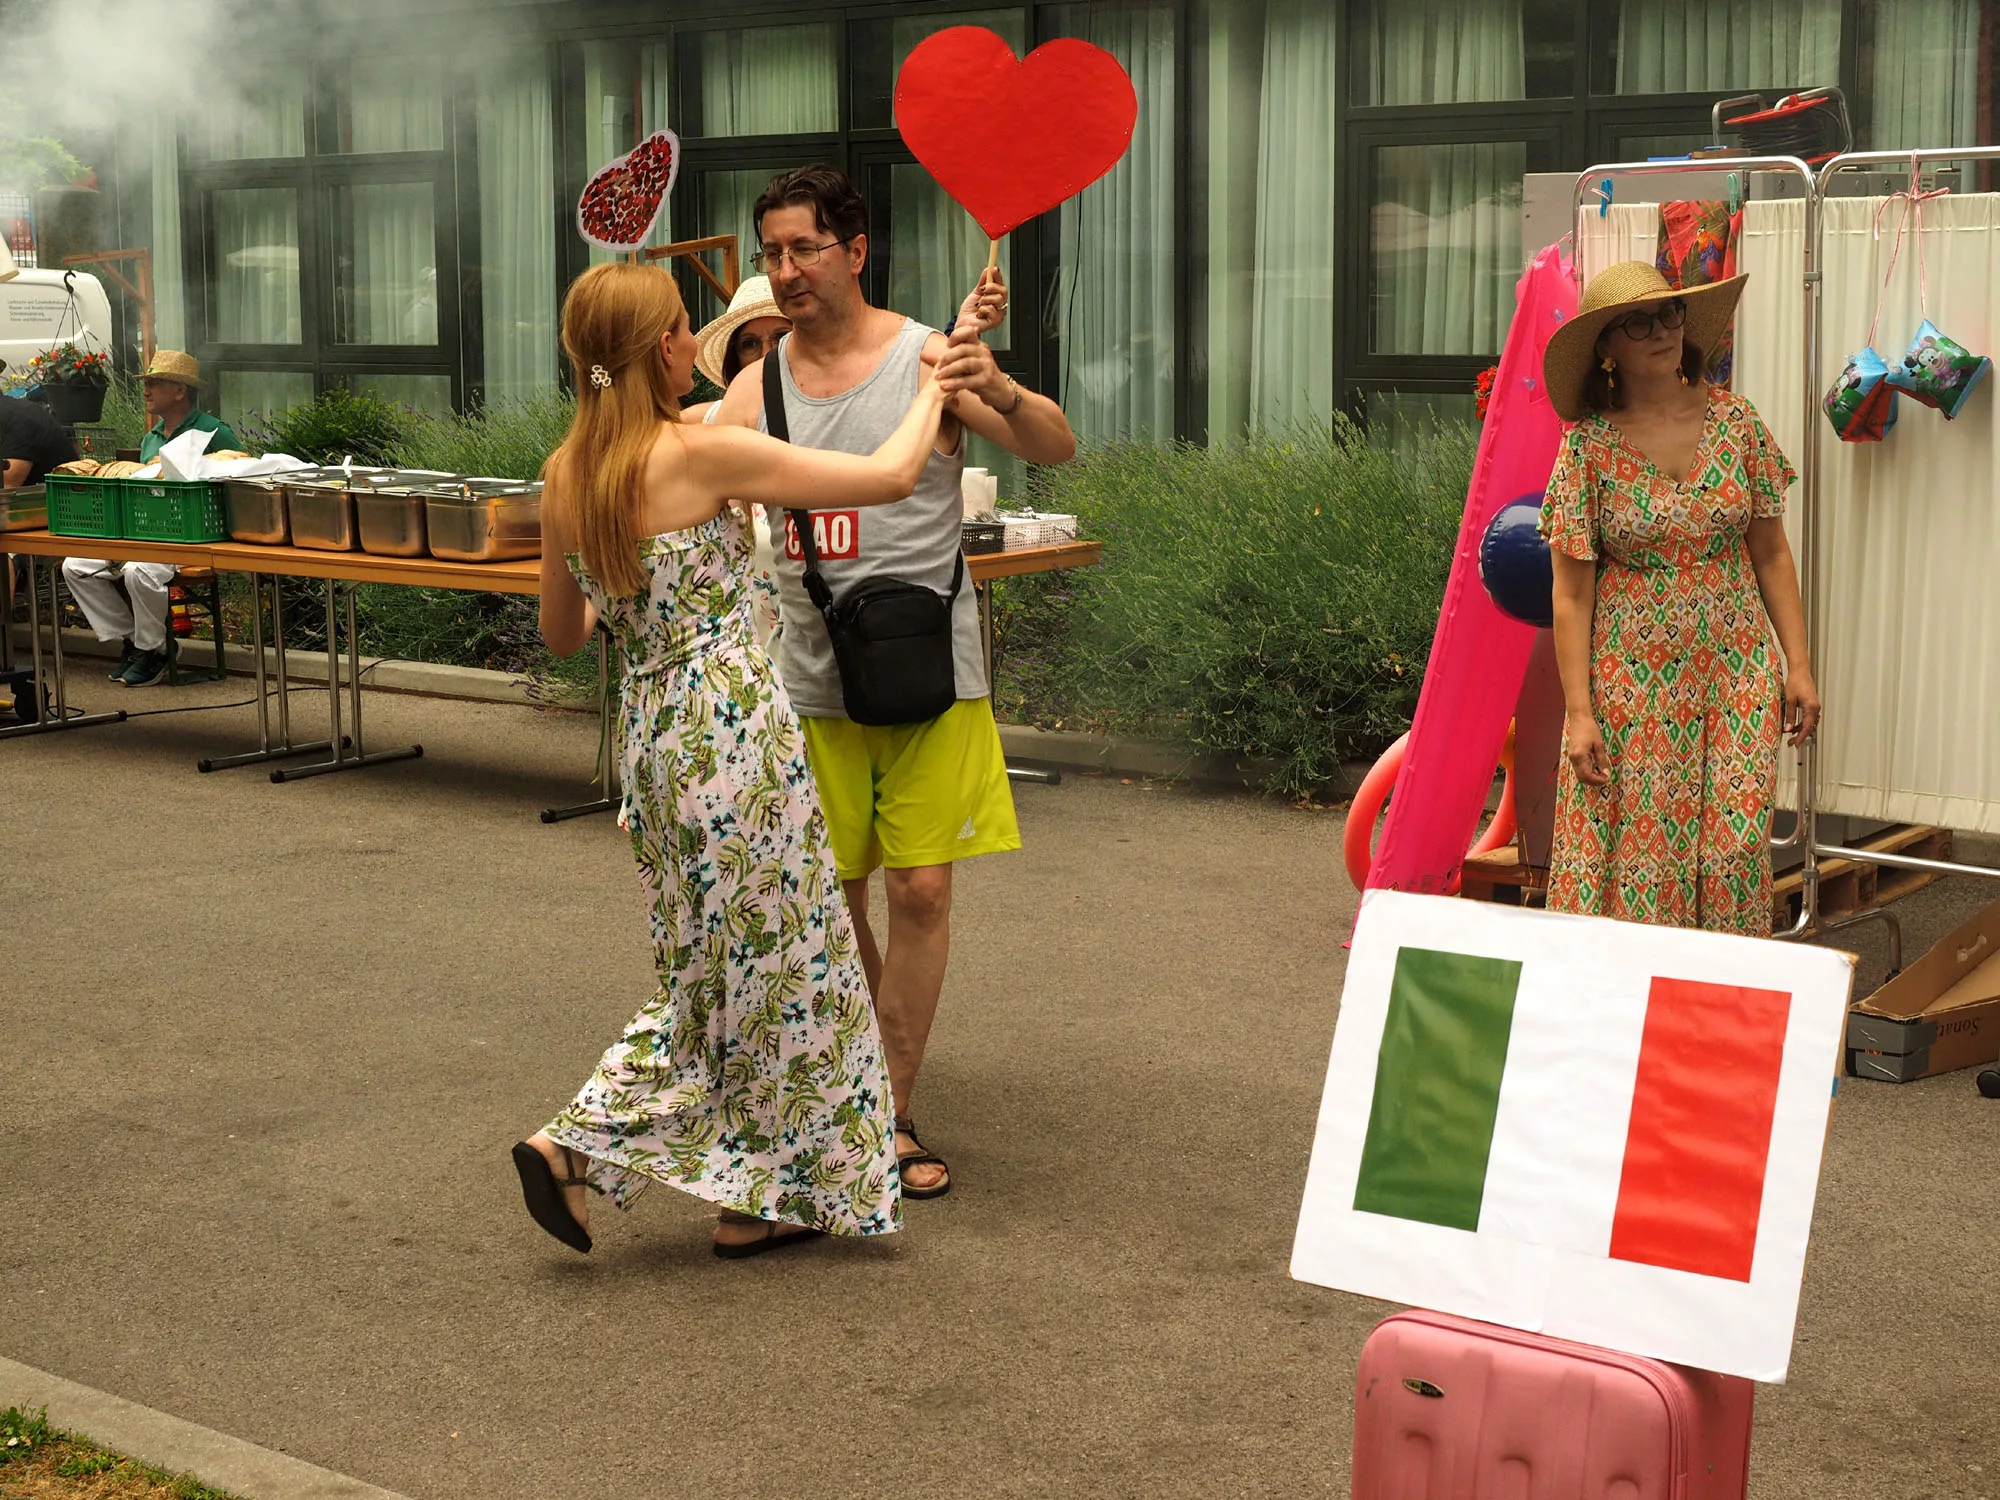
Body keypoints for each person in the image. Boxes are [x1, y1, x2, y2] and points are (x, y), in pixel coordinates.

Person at [512, 259, 958, 1259]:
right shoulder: (700, 452)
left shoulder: (567, 472)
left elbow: (563, 634)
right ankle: (576, 1140)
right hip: (734, 730)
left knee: (717, 965)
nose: (691, 344)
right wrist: (935, 383)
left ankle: (755, 1200)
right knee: (782, 963)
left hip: (652, 737)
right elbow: (889, 477)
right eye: (681, 329)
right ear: (652, 350)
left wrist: (631, 587)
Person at [714, 165, 1075, 1197]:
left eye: (805, 248)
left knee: (920, 890)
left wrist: (995, 385)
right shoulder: (757, 388)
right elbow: (689, 483)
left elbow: (1054, 445)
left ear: (856, 250)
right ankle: (857, 1084)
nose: (786, 270)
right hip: (809, 682)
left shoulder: (928, 356)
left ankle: (890, 1112)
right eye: (772, 253)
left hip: (929, 677)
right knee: (830, 908)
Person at [1538, 261, 1819, 935]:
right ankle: (1627, 993)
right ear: (1606, 348)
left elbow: (1771, 552)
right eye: (1637, 323)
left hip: (1735, 671)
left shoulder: (1736, 422)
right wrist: (1578, 713)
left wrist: (1799, 664)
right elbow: (1570, 597)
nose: (1661, 331)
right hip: (1632, 686)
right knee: (1641, 853)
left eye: (1669, 314)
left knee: (1734, 848)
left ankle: (1722, 990)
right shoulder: (1587, 449)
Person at [60, 350, 241, 687]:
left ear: (180, 390)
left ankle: (151, 650)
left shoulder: (214, 431)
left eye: (155, 383)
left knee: (138, 570)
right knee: (75, 566)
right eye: (146, 383)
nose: (146, 390)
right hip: (146, 533)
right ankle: (141, 642)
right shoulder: (151, 437)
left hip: (195, 538)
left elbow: (243, 476)